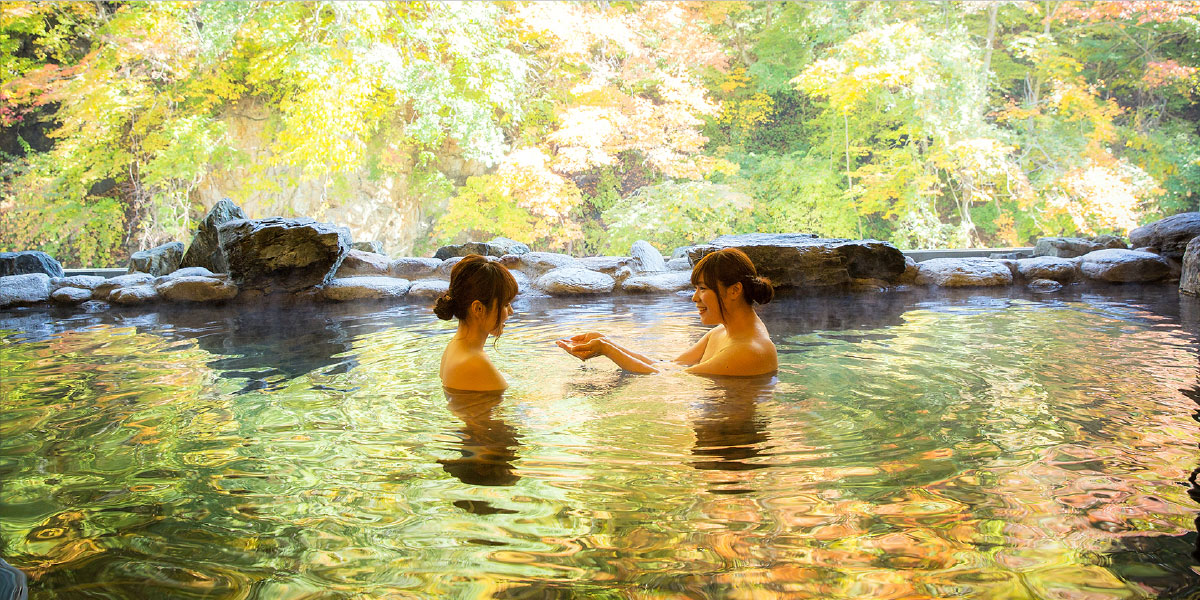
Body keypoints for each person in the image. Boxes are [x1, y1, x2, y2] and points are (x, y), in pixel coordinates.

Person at [557, 247, 778, 376]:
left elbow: (666, 378)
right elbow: (669, 366)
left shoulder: (751, 350)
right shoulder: (723, 332)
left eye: (702, 289)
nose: (694, 297)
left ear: (734, 290)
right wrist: (606, 342)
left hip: (732, 442)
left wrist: (607, 349)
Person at [435, 254, 518, 391]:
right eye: (505, 304)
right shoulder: (474, 363)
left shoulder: (455, 347)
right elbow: (504, 412)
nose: (511, 311)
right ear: (478, 308)